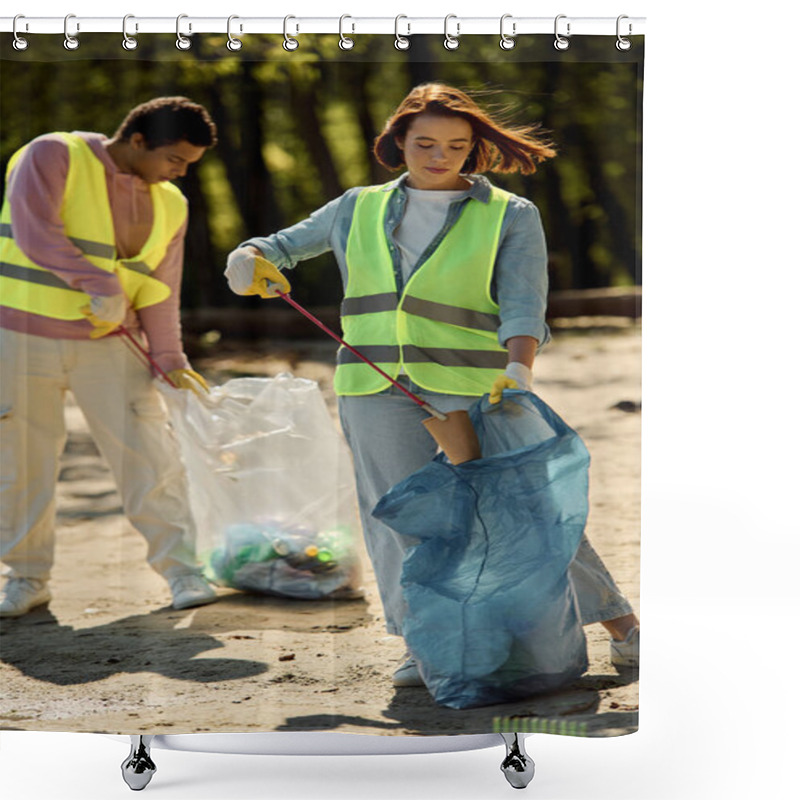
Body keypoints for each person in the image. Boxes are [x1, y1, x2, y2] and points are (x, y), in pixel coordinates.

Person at [225, 83, 640, 685]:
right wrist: (247, 258)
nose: (439, 156)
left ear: (473, 150)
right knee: (397, 517)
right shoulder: (355, 207)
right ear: (398, 143)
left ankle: (623, 628)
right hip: (374, 385)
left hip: (478, 384)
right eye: (425, 143)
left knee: (528, 509)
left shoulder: (510, 214)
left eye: (455, 145)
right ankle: (423, 646)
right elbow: (279, 249)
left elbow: (525, 304)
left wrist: (518, 370)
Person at [0, 97, 219, 617]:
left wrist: (169, 357)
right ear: (138, 140)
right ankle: (26, 578)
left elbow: (161, 285)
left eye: (188, 165)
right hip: (21, 335)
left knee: (148, 456)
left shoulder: (171, 203)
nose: (180, 172)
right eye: (176, 159)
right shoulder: (53, 155)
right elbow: (36, 233)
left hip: (110, 342)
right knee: (23, 461)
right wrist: (98, 282)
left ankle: (182, 571)